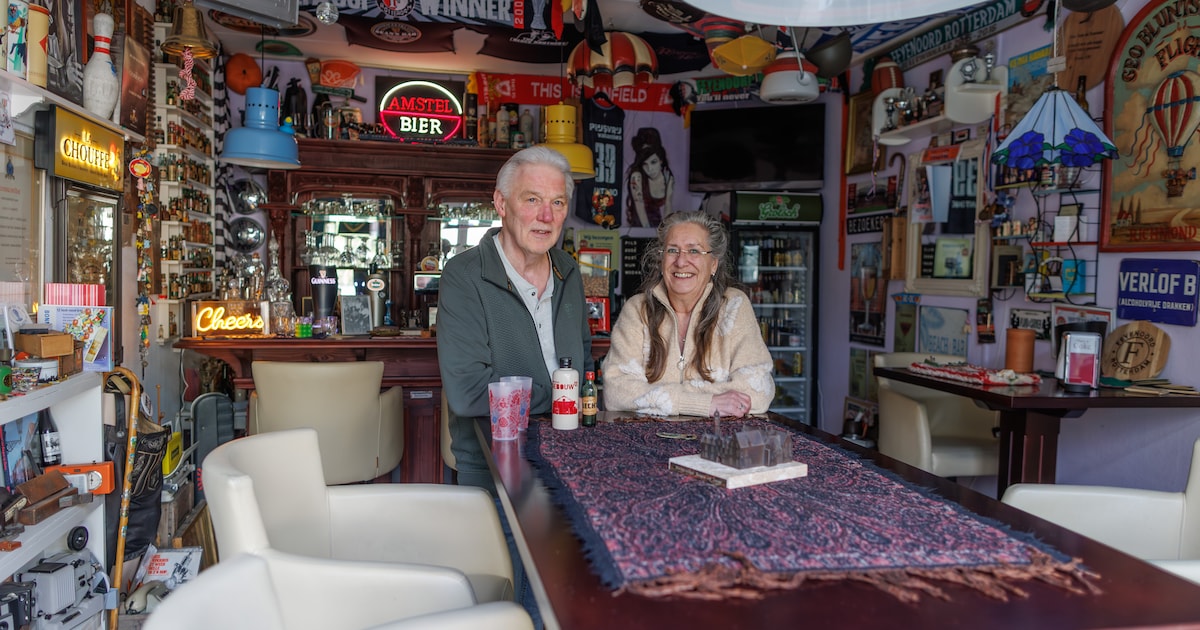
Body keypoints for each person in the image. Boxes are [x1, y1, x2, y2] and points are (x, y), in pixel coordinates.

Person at [438, 145, 593, 493]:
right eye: (532, 200)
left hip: (576, 456)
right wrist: (561, 396)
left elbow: (584, 363)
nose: (547, 216)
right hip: (496, 467)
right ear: (501, 204)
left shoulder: (568, 269)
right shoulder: (464, 275)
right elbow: (468, 393)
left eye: (557, 202)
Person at [604, 212, 773, 417]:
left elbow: (757, 391)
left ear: (713, 264)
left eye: (694, 251)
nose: (681, 262)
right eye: (673, 250)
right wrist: (706, 403)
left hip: (715, 444)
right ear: (661, 259)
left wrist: (654, 396)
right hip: (648, 444)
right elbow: (615, 392)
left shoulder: (734, 306)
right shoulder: (638, 310)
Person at [625, 128, 674, 228]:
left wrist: (665, 232)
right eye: (645, 164)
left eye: (653, 162)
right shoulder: (637, 176)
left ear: (660, 160)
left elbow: (668, 205)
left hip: (657, 226)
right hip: (639, 226)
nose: (650, 169)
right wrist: (647, 231)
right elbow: (639, 204)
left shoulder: (667, 177)